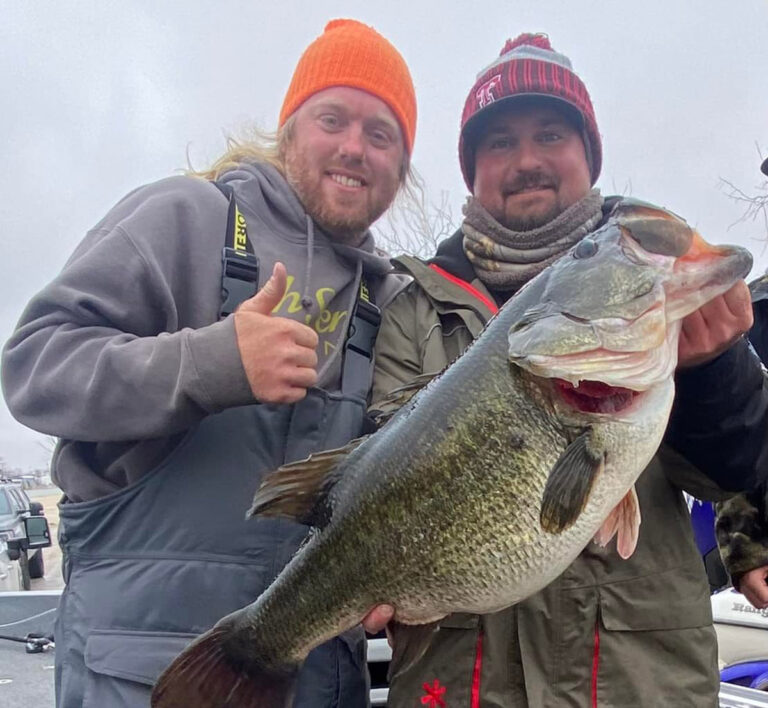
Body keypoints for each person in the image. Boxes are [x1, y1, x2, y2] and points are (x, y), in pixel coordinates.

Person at [1, 18, 416, 708]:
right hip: (145, 676)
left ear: (402, 169)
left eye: (382, 134)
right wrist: (207, 364)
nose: (354, 148)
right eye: (333, 119)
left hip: (313, 679)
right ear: (289, 132)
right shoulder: (185, 216)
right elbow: (34, 366)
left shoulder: (395, 301)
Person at [364, 33, 768, 707]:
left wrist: (712, 369)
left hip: (637, 685)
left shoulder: (653, 277)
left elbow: (738, 469)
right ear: (471, 170)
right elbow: (380, 475)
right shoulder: (413, 307)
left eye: (552, 135)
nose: (527, 161)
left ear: (589, 155)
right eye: (500, 143)